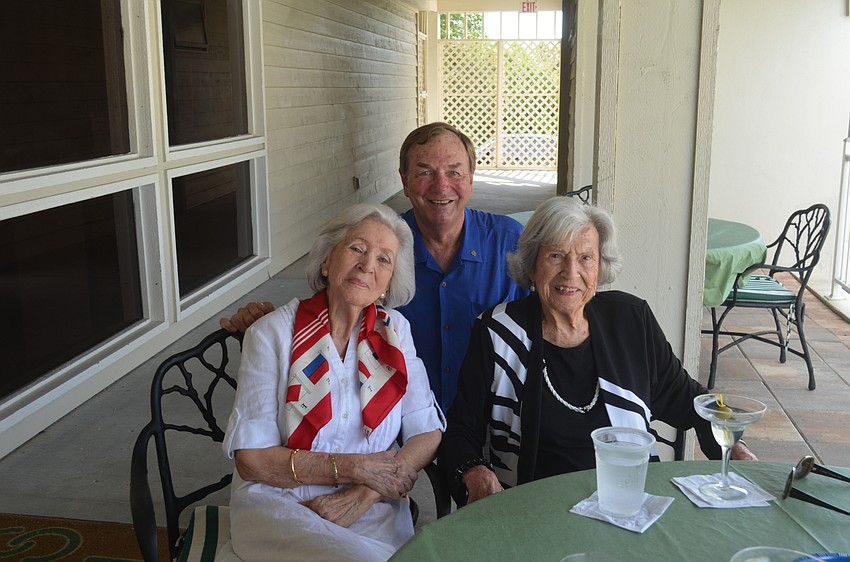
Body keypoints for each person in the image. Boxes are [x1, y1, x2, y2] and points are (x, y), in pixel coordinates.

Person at [437, 196, 756, 505]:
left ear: (600, 266)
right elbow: (460, 432)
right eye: (556, 255)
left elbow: (690, 398)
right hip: (538, 511)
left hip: (629, 504)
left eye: (585, 258)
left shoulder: (631, 320)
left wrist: (735, 443)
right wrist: (474, 472)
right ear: (532, 264)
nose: (570, 272)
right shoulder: (498, 332)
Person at [221, 122, 528, 412]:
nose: (441, 185)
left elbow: (545, 326)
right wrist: (272, 328)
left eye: (454, 172)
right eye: (425, 172)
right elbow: (333, 316)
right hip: (394, 414)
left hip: (491, 416)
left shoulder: (510, 243)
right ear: (404, 181)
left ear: (471, 179)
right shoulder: (380, 245)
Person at [217, 203, 444, 562]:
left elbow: (426, 432)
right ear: (326, 261)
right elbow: (253, 461)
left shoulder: (396, 332)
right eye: (357, 248)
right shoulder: (271, 334)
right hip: (281, 507)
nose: (367, 265)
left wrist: (366, 492)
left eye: (383, 259)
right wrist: (353, 467)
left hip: (371, 510)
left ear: (388, 283)